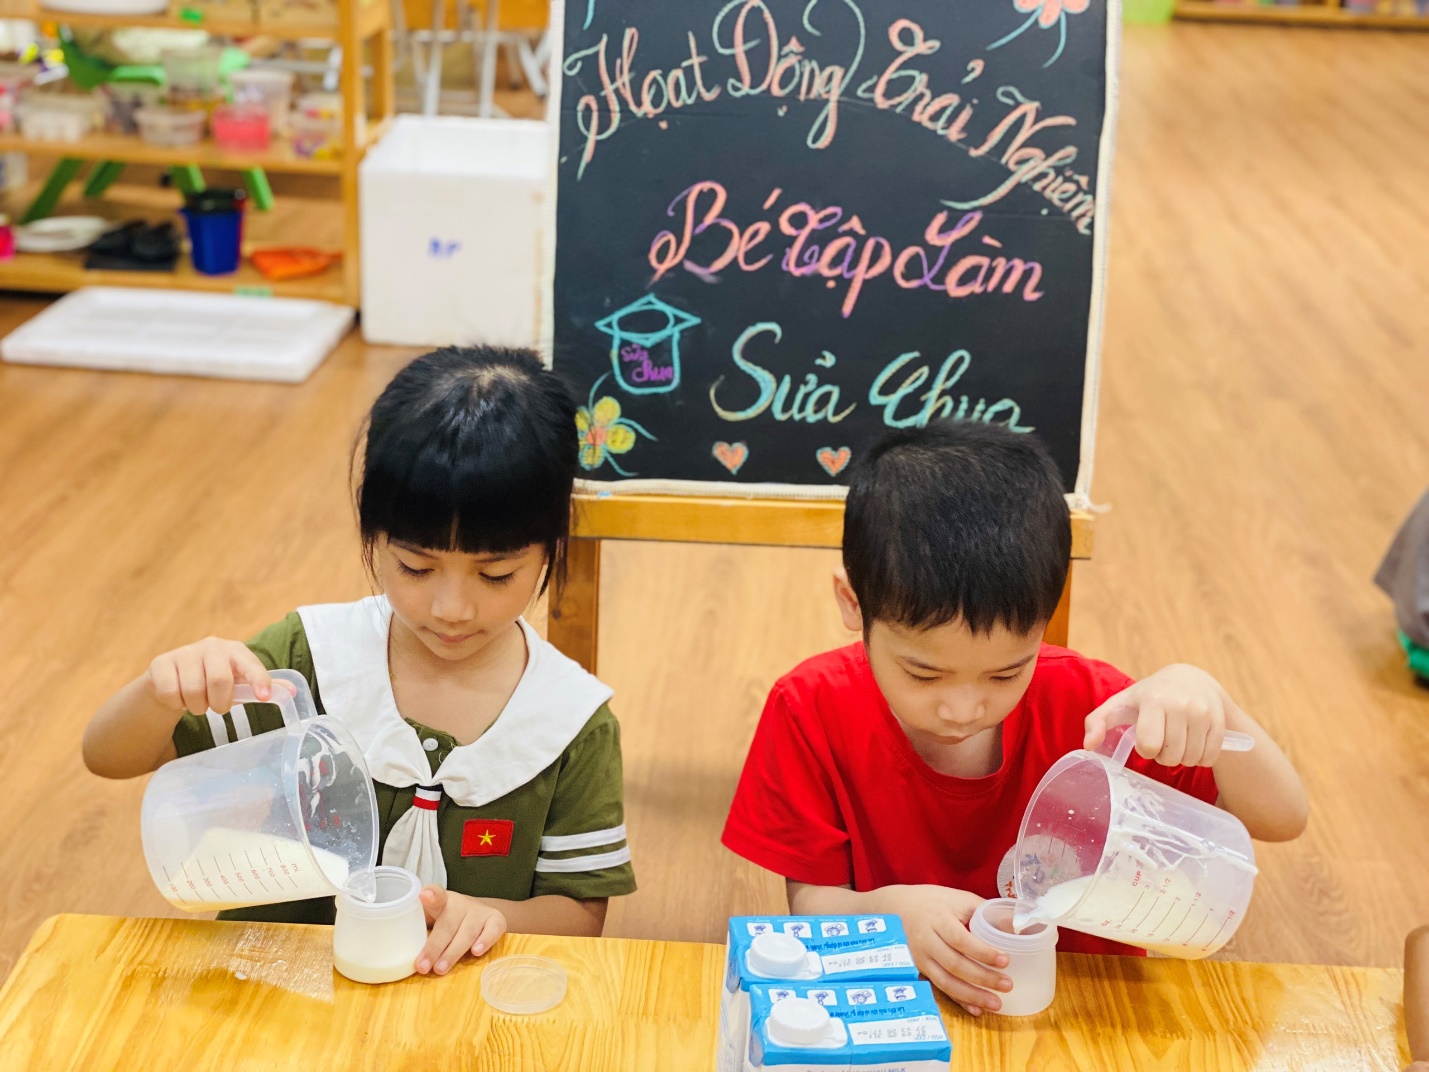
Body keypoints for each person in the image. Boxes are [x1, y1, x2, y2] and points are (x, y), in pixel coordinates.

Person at [721, 423, 1307, 1017]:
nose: (964, 708)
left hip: (1082, 1014)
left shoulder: (1095, 711)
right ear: (853, 603)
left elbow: (1283, 818)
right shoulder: (809, 708)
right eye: (924, 674)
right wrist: (886, 915)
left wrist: (1214, 702)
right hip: (896, 1006)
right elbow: (812, 903)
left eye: (1005, 674)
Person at [84, 347, 635, 977]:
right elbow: (108, 756)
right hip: (279, 990)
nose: (451, 608)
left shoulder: (570, 720)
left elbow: (581, 916)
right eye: (416, 566)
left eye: (495, 573)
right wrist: (160, 692)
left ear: (551, 550)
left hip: (459, 1004)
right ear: (371, 536)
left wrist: (495, 915)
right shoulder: (309, 658)